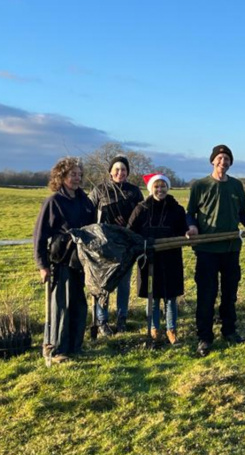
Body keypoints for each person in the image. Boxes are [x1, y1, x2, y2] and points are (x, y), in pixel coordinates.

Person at [186, 145, 245, 356]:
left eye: (227, 158)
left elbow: (243, 215)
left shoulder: (237, 186)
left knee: (230, 293)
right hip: (207, 249)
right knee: (206, 294)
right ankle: (204, 337)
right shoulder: (200, 185)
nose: (223, 161)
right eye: (220, 158)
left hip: (231, 248)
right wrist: (192, 227)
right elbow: (190, 214)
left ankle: (229, 330)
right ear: (213, 161)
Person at [33, 157, 96, 364]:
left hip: (81, 261)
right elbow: (40, 236)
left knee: (79, 303)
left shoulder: (85, 201)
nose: (77, 178)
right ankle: (58, 349)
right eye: (73, 174)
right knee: (61, 305)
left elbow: (93, 228)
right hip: (61, 260)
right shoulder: (54, 202)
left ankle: (75, 346)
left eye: (79, 174)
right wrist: (42, 265)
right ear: (61, 177)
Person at [127, 173, 188, 344]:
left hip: (171, 258)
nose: (160, 189)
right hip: (149, 258)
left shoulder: (177, 209)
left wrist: (187, 232)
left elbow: (183, 229)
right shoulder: (141, 208)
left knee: (171, 296)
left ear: (168, 188)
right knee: (152, 296)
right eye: (157, 186)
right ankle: (154, 328)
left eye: (163, 186)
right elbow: (130, 231)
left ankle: (171, 329)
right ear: (151, 188)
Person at [88, 155, 144, 335]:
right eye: (117, 169)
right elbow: (88, 212)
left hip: (127, 246)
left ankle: (122, 319)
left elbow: (142, 215)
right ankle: (102, 320)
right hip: (105, 246)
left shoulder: (134, 191)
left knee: (124, 284)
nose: (120, 172)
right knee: (103, 284)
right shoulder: (100, 190)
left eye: (124, 170)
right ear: (110, 171)